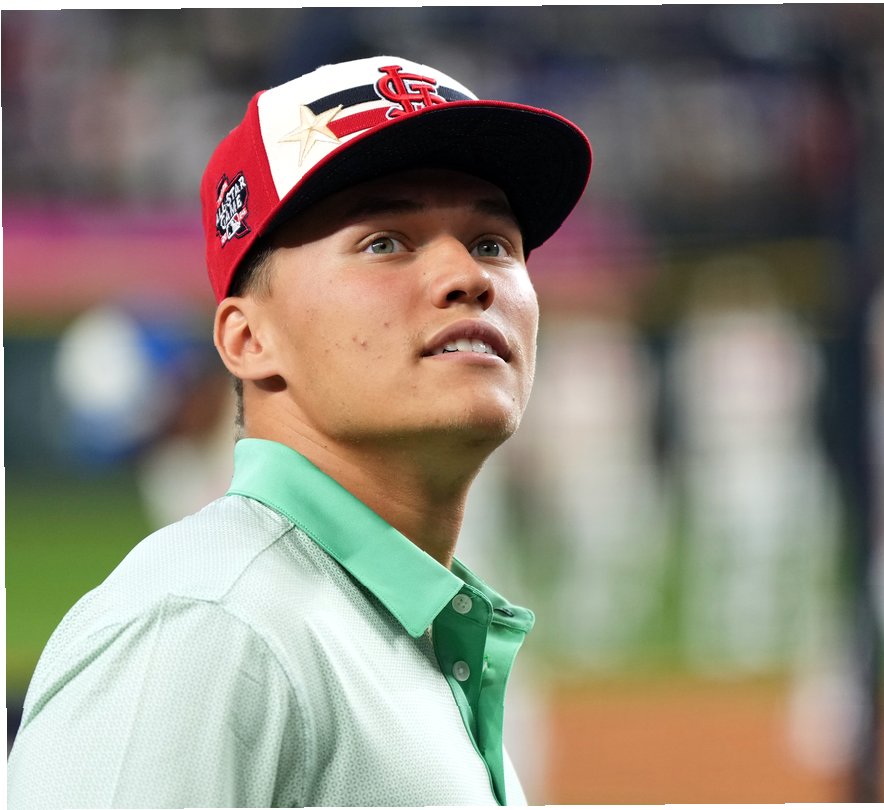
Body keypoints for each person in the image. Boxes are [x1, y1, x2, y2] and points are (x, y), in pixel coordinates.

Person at [8, 54, 591, 808]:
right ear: (250, 339)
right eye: (385, 241)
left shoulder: (414, 639)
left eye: (493, 243)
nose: (469, 276)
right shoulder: (204, 627)